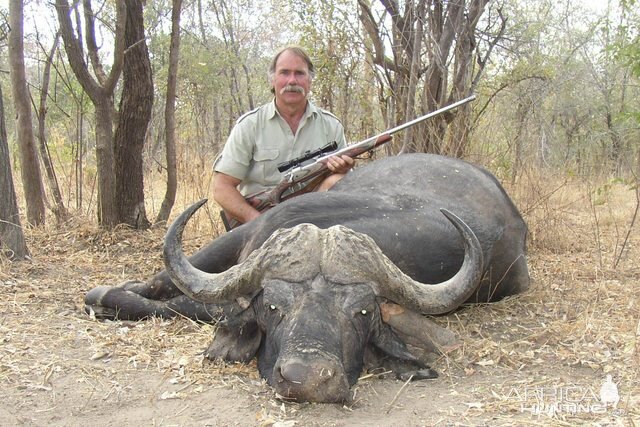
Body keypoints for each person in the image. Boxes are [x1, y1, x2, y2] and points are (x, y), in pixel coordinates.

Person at [212, 46, 354, 226]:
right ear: (273, 80)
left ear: (310, 81)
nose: (292, 80)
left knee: (338, 180)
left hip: (314, 221)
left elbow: (341, 185)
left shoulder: (331, 126)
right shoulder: (249, 125)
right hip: (260, 223)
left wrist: (343, 170)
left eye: (299, 73)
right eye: (285, 73)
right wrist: (258, 223)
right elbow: (221, 187)